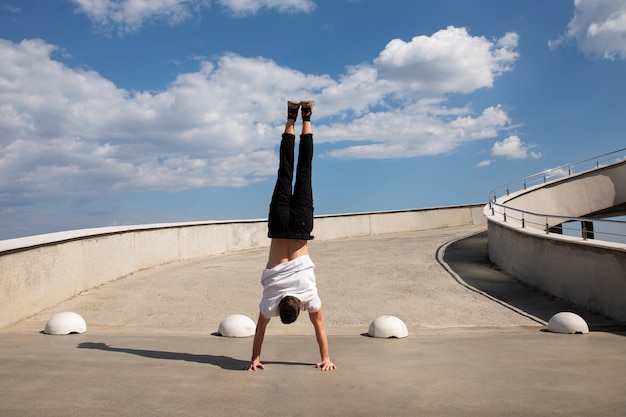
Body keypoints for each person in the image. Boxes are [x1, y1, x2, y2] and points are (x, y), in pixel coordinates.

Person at [244, 100, 336, 372]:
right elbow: (260, 330)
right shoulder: (270, 302)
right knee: (285, 171)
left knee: (304, 171)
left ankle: (306, 116)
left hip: (300, 229)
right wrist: (254, 358)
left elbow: (319, 325)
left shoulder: (309, 296)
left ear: (298, 307)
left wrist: (326, 357)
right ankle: (291, 118)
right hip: (279, 224)